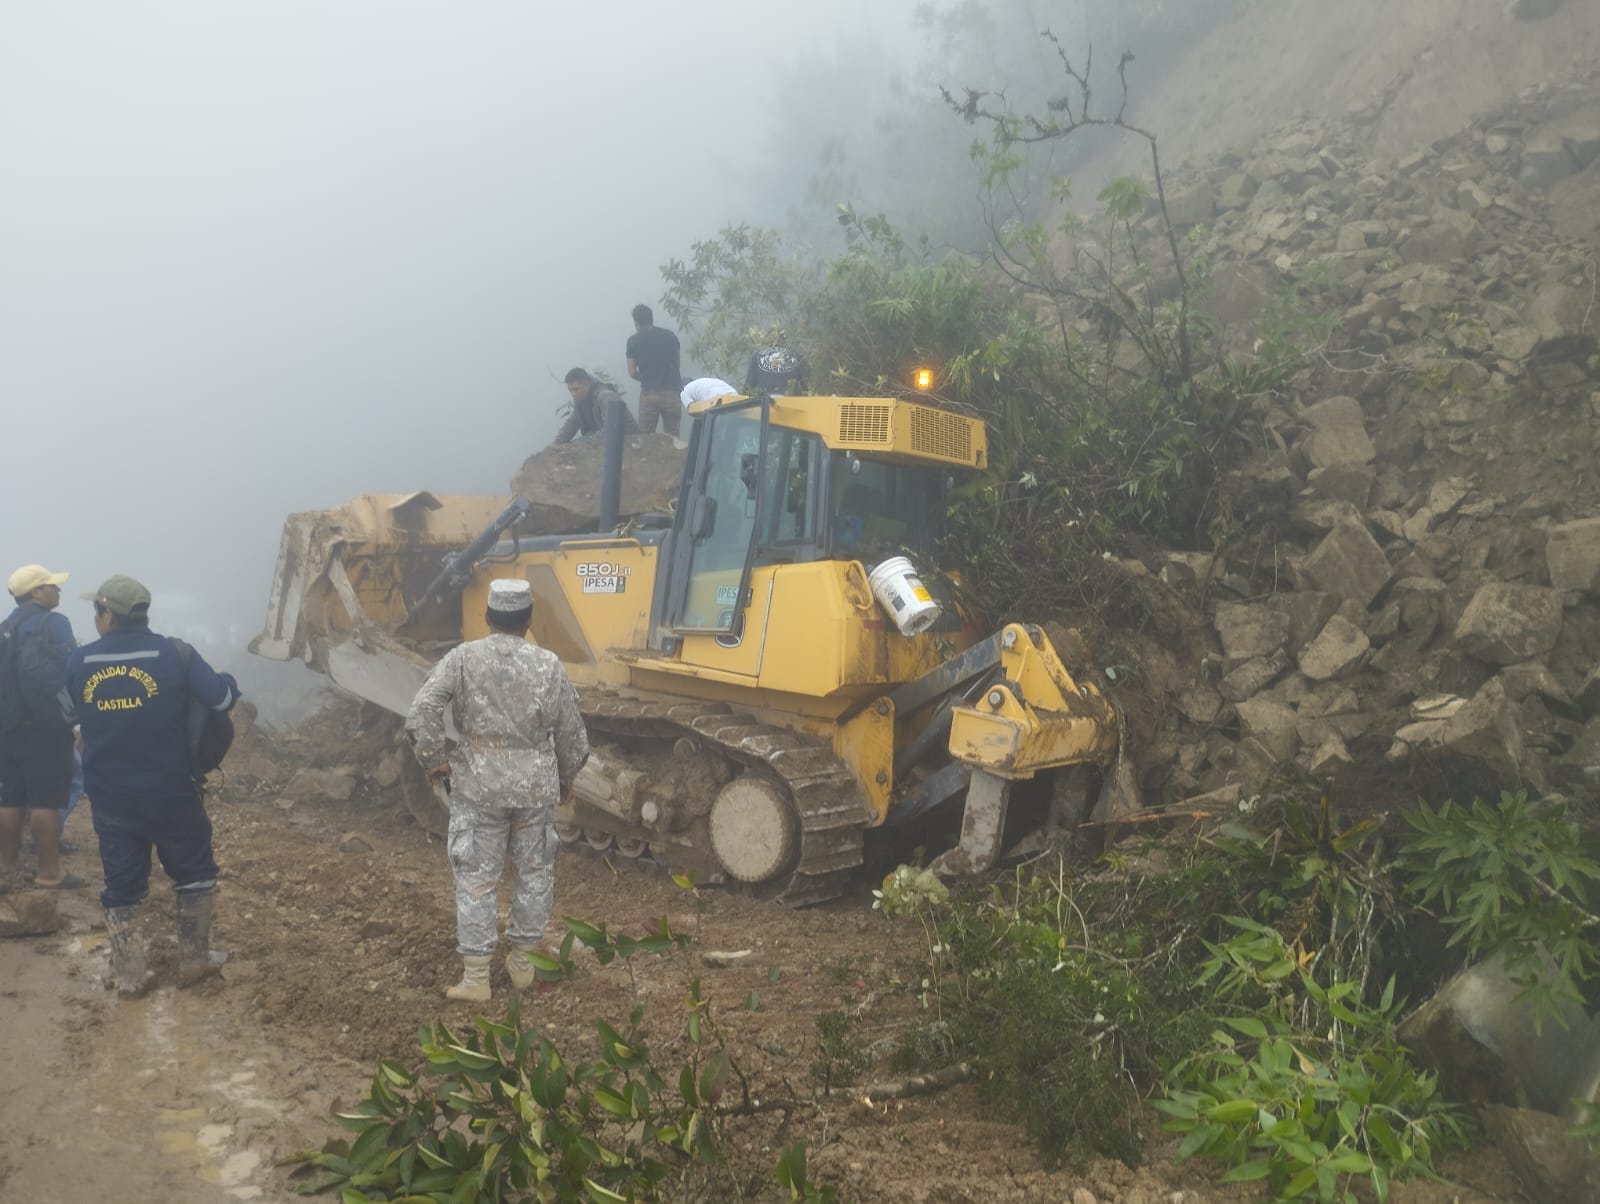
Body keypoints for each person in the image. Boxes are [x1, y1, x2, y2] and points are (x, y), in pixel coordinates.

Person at [405, 578, 589, 1002]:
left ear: (488, 618)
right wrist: (565, 778)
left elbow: (422, 711)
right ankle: (523, 966)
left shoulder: (462, 659)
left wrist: (434, 760)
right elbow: (571, 734)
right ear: (528, 620)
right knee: (534, 876)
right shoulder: (548, 665)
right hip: (534, 791)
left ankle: (476, 980)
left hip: (478, 788)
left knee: (476, 879)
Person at [67, 575, 240, 997]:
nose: (95, 618)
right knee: (194, 872)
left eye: (97, 611)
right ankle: (195, 961)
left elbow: (67, 714)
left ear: (108, 615)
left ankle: (130, 974)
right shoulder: (175, 653)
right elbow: (221, 700)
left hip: (110, 795)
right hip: (172, 789)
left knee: (122, 885)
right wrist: (229, 682)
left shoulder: (80, 661)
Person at [0, 564, 83, 889]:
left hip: (8, 728)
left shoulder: (6, 626)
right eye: (52, 586)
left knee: (10, 800)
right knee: (46, 801)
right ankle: (50, 872)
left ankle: (7, 868)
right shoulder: (54, 623)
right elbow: (71, 670)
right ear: (36, 592)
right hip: (45, 729)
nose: (57, 591)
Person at [625, 303, 683, 437]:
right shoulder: (670, 336)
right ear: (651, 318)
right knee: (673, 436)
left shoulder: (633, 341)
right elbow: (677, 364)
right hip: (671, 393)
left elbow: (632, 372)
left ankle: (648, 458)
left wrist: (646, 377)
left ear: (636, 322)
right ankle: (673, 458)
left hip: (649, 394)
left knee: (646, 436)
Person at [553, 368, 639, 445]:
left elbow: (611, 430)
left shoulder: (606, 396)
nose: (573, 394)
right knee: (568, 447)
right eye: (570, 390)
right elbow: (572, 423)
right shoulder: (580, 399)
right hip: (600, 437)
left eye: (575, 389)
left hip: (626, 439)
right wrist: (555, 444)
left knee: (575, 448)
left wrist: (586, 444)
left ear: (586, 384)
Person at [745, 344, 810, 396]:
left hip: (763, 405)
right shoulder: (799, 357)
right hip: (790, 404)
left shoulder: (757, 356)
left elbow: (748, 388)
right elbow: (808, 388)